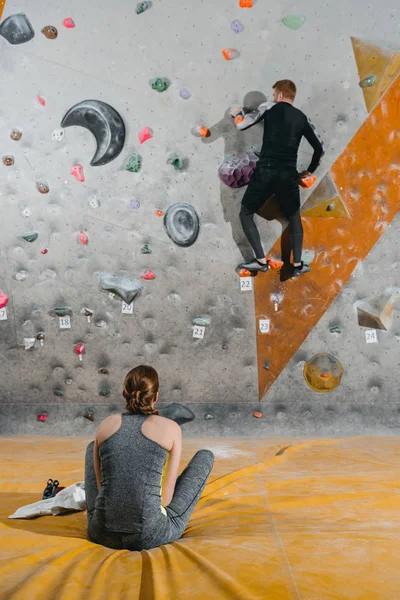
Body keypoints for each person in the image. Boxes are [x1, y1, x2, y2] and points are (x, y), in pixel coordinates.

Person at [84, 365, 214, 551]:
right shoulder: (172, 429)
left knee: (92, 448)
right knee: (205, 456)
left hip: (101, 533)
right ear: (156, 396)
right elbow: (167, 501)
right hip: (148, 535)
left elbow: (100, 487)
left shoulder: (106, 425)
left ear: (124, 393)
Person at [231, 79, 324, 277]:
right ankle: (298, 265)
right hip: (288, 175)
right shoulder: (302, 118)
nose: (273, 98)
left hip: (266, 171)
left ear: (280, 95)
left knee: (246, 212)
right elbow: (319, 148)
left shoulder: (269, 107)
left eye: (274, 95)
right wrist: (309, 171)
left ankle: (261, 261)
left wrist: (237, 114)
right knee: (293, 218)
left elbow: (241, 125)